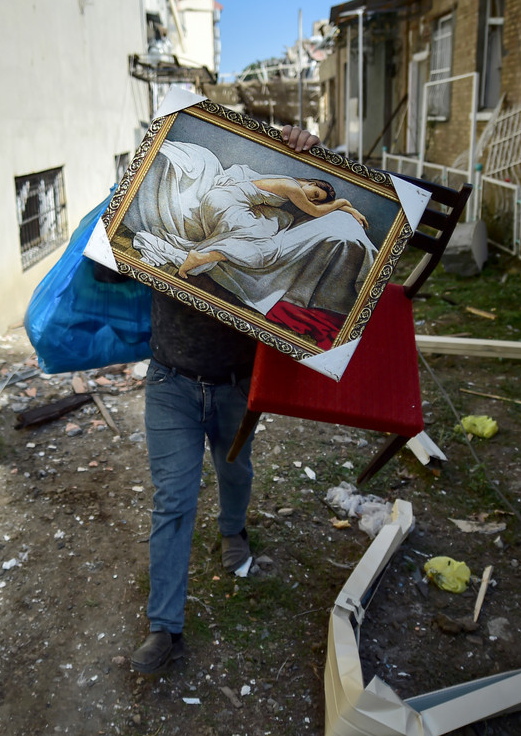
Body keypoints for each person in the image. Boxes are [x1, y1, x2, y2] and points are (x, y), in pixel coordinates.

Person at [130, 125, 319, 674]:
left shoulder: (275, 237)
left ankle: (233, 530)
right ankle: (164, 628)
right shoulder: (168, 206)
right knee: (173, 501)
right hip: (171, 382)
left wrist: (309, 157)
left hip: (238, 381)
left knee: (235, 471)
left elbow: (320, 200)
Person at [122, 139, 378, 348]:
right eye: (314, 193)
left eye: (316, 198)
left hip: (222, 201)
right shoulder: (292, 186)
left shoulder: (285, 185)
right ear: (308, 183)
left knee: (265, 233)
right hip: (223, 203)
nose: (311, 198)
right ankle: (199, 257)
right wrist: (344, 205)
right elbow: (315, 212)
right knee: (266, 251)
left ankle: (201, 255)